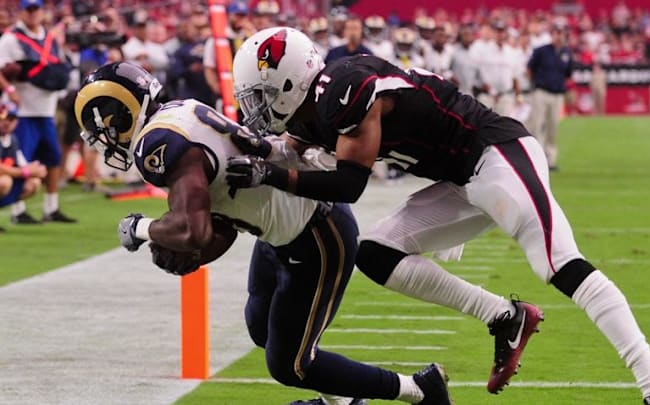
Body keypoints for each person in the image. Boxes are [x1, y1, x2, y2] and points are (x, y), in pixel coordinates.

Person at [227, 27, 650, 404]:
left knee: (558, 263)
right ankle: (503, 317)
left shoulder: (345, 89)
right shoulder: (315, 110)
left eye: (261, 95)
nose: (257, 108)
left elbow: (349, 183)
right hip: (458, 180)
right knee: (375, 253)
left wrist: (267, 174)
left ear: (290, 82)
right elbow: (294, 150)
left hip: (497, 153)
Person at [74, 62, 452, 405]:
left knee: (292, 366)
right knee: (262, 328)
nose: (103, 137)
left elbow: (193, 229)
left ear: (119, 113)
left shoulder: (157, 143)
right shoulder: (180, 112)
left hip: (316, 232)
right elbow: (220, 223)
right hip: (281, 232)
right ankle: (344, 401)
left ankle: (419, 389)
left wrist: (141, 229)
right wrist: (195, 247)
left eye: (101, 126)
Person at [0, 0, 76, 223]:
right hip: (21, 110)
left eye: (36, 9)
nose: (33, 14)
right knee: (20, 159)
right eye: (28, 10)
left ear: (42, 12)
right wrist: (10, 88)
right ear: (22, 12)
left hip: (46, 107)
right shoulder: (11, 39)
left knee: (53, 157)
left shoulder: (50, 38)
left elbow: (59, 65)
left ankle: (51, 207)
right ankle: (17, 210)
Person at [526, 24, 573, 171]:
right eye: (556, 33)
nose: (558, 36)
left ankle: (550, 160)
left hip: (557, 94)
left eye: (561, 33)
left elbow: (568, 74)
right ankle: (536, 159)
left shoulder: (567, 53)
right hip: (541, 92)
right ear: (551, 34)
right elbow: (529, 69)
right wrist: (534, 85)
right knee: (537, 125)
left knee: (553, 127)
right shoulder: (541, 51)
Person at [0, 102, 47, 231]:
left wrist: (36, 170)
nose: (6, 123)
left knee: (33, 183)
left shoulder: (12, 139)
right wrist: (25, 172)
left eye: (11, 119)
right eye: (3, 118)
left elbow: (23, 165)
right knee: (4, 182)